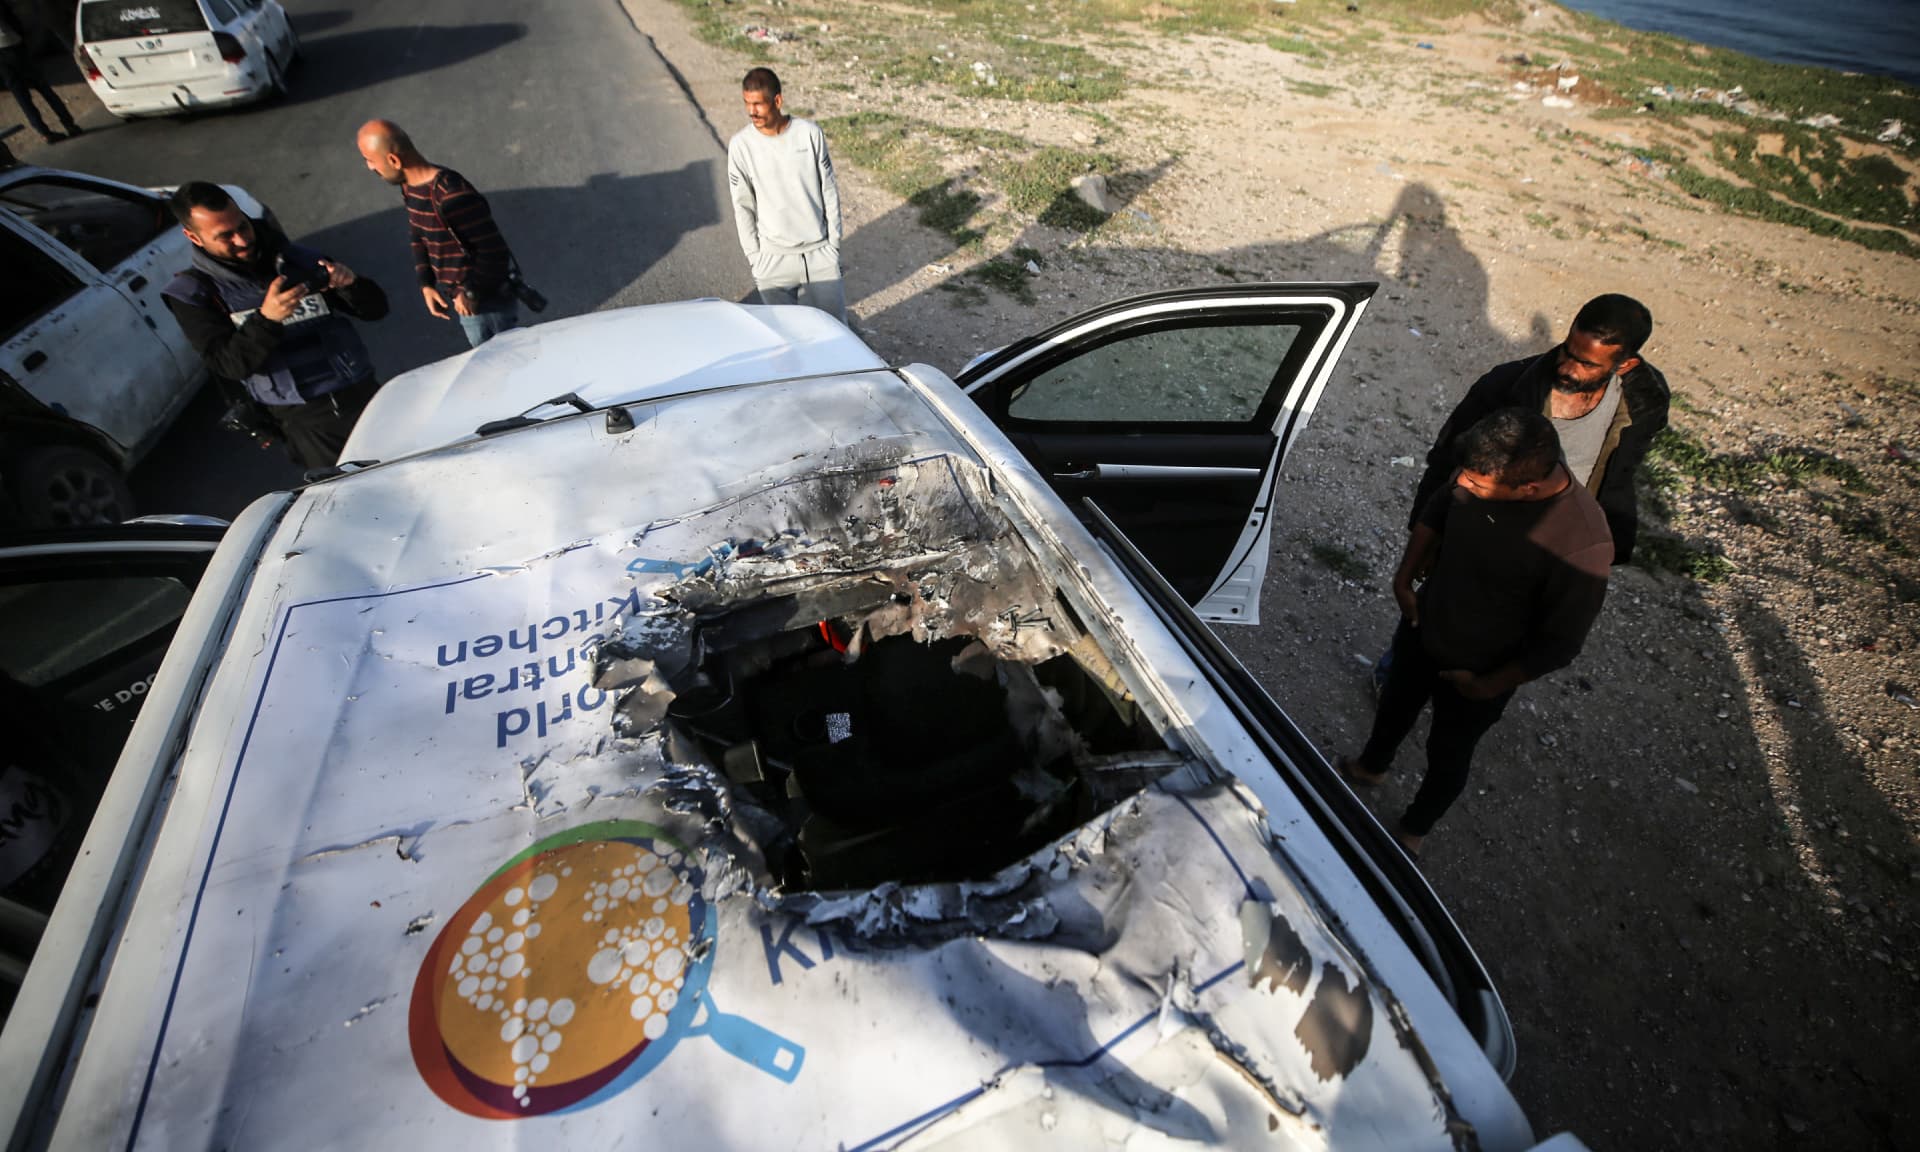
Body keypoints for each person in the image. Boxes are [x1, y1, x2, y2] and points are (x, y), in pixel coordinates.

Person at [1338, 408, 1612, 858]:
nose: (1463, 484)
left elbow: (1561, 642)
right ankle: (1371, 767)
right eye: (1465, 477)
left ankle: (1414, 830)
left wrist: (1487, 684)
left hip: (1479, 669)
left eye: (1477, 486)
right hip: (1423, 627)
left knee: (1449, 752)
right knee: (1394, 706)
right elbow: (1438, 509)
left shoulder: (1582, 542)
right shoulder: (1479, 472)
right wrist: (1404, 580)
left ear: (1529, 489)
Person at [1372, 294, 1668, 694]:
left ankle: (1475, 689)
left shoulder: (1644, 402)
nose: (1567, 367)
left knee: (1511, 619)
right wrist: (1425, 533)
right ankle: (1398, 677)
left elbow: (1620, 471)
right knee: (1434, 607)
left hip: (1548, 539)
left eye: (1586, 364)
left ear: (1625, 365)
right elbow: (1446, 461)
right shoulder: (1507, 385)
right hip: (1480, 522)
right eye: (1567, 351)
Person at [161, 182, 389, 470]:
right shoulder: (194, 294)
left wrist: (351, 285)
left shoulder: (298, 259)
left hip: (365, 396)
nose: (242, 240)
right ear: (192, 236)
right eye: (225, 236)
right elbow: (228, 364)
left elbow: (376, 310)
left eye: (242, 227)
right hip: (307, 423)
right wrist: (267, 320)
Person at [355, 119, 519, 348]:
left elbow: (495, 252)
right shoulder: (411, 187)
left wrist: (471, 293)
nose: (370, 168)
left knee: (504, 369)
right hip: (468, 302)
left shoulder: (451, 195)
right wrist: (427, 283)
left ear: (394, 160)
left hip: (487, 305)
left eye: (370, 160)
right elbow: (419, 234)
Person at [725, 67, 846, 322]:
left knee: (835, 335)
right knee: (784, 340)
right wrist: (755, 258)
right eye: (747, 103)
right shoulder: (740, 146)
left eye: (758, 104)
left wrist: (832, 244)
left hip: (818, 256)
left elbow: (829, 189)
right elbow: (742, 205)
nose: (752, 112)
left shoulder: (810, 134)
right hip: (772, 260)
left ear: (777, 101)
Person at [0, 5, 80, 145]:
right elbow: (12, 18)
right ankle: (69, 124)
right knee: (43, 87)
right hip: (13, 44)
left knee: (22, 97)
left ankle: (44, 132)